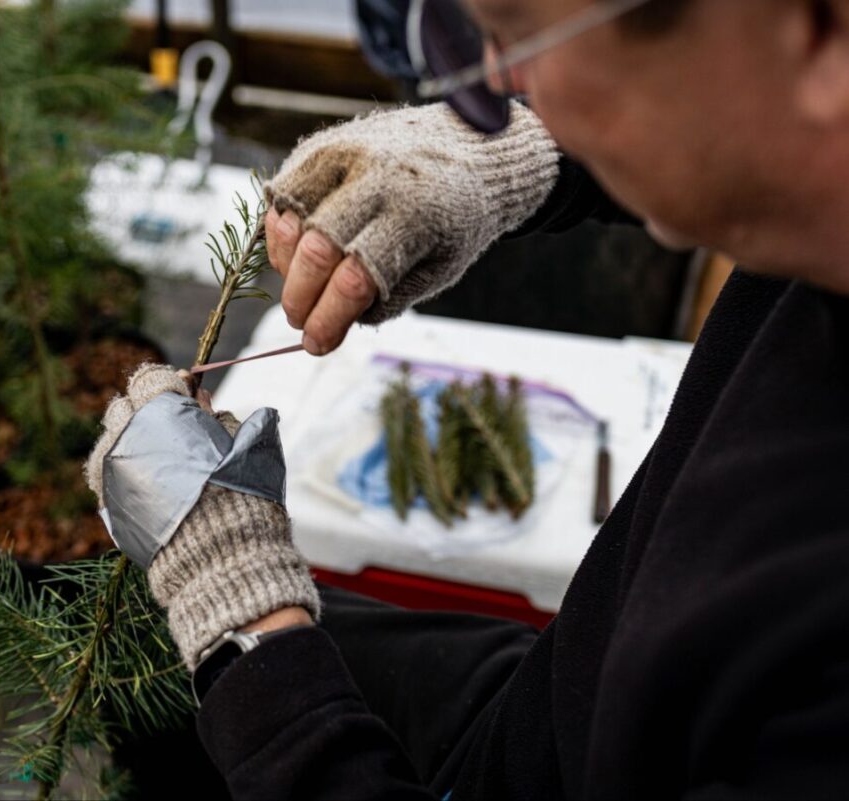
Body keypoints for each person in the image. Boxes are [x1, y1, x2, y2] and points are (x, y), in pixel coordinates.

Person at [87, 0, 849, 797]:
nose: (492, 81)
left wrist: (246, 622)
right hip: (568, 696)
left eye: (520, 35)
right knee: (145, 647)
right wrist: (516, 155)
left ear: (815, 30)